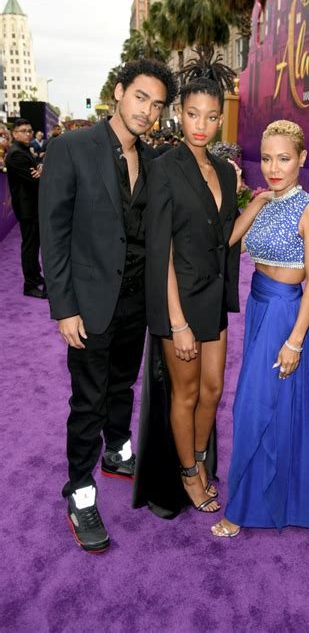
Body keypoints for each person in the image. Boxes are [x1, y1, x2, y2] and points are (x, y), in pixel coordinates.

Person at [39, 59, 177, 553]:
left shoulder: (153, 158)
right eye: (141, 97)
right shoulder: (71, 147)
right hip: (90, 303)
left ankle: (117, 452)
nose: (148, 111)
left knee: (123, 384)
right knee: (88, 399)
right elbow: (52, 235)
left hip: (136, 302)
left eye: (157, 104)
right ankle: (78, 490)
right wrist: (64, 307)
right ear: (119, 93)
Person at [135, 73, 271, 517]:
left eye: (212, 117)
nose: (201, 124)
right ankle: (190, 472)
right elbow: (163, 250)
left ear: (220, 120)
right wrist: (176, 322)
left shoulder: (224, 173)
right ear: (179, 113)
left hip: (212, 295)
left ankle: (197, 459)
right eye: (193, 114)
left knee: (212, 391)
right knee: (186, 394)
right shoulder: (163, 168)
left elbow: (223, 237)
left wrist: (255, 206)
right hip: (180, 299)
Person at [211, 120, 309, 538]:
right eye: (266, 158)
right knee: (274, 404)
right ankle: (284, 497)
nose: (274, 167)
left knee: (253, 406)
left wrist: (296, 341)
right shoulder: (265, 201)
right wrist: (252, 200)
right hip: (258, 307)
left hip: (284, 313)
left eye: (283, 158)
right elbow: (228, 241)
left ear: (302, 159)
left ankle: (242, 509)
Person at [5, 118, 46, 299]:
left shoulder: (21, 150)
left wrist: (39, 170)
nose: (28, 133)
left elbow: (35, 173)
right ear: (14, 133)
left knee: (33, 243)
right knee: (30, 246)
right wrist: (40, 173)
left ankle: (35, 276)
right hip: (26, 207)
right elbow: (34, 179)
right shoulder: (16, 154)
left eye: (30, 130)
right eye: (23, 131)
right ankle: (29, 285)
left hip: (31, 205)